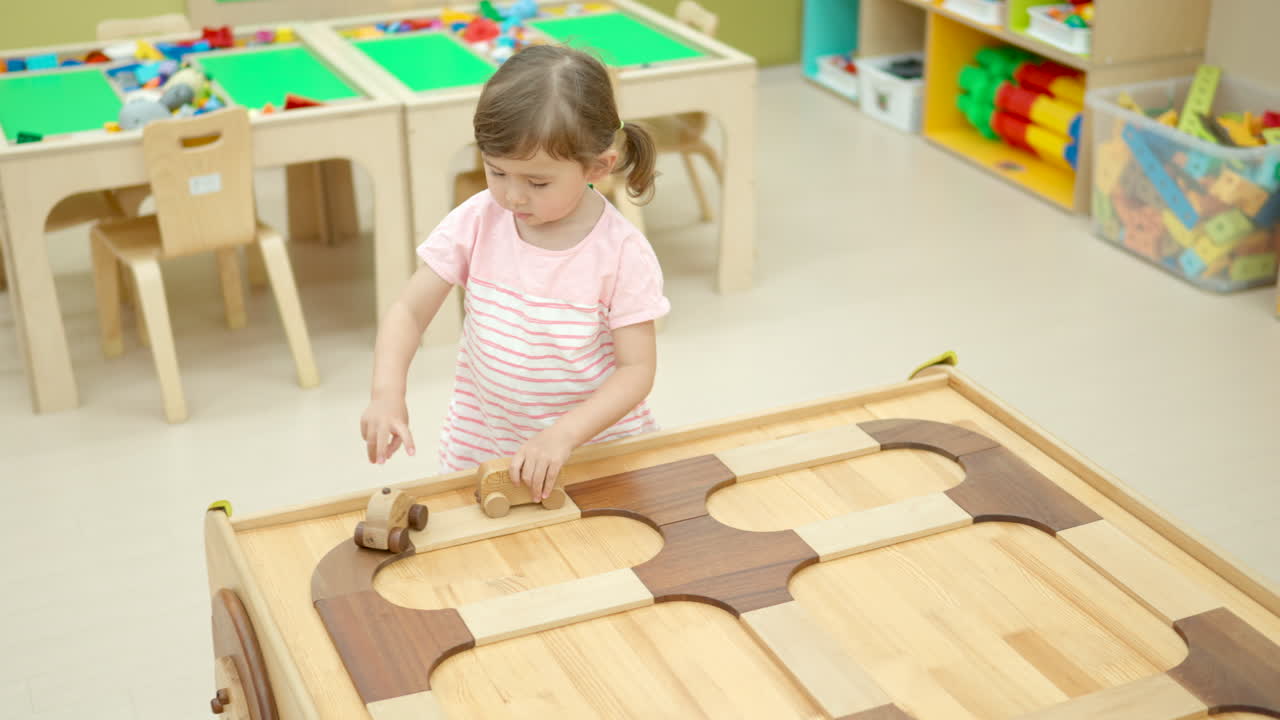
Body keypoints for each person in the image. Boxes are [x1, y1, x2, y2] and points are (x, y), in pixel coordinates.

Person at [360, 44, 670, 503]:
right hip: (485, 446)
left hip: (591, 453)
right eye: (496, 171)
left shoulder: (621, 252)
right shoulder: (478, 220)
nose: (512, 196)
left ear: (597, 167)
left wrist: (562, 436)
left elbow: (636, 370)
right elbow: (408, 309)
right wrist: (387, 392)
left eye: (537, 182)